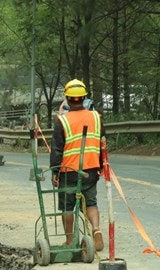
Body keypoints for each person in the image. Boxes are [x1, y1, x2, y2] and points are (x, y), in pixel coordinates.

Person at [50, 79, 105, 251]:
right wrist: (101, 165)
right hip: (91, 169)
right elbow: (102, 142)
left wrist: (55, 172)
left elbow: (57, 149)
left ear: (67, 98)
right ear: (84, 97)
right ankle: (96, 230)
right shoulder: (97, 117)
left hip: (69, 171)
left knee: (67, 206)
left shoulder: (62, 121)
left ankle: (69, 240)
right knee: (91, 202)